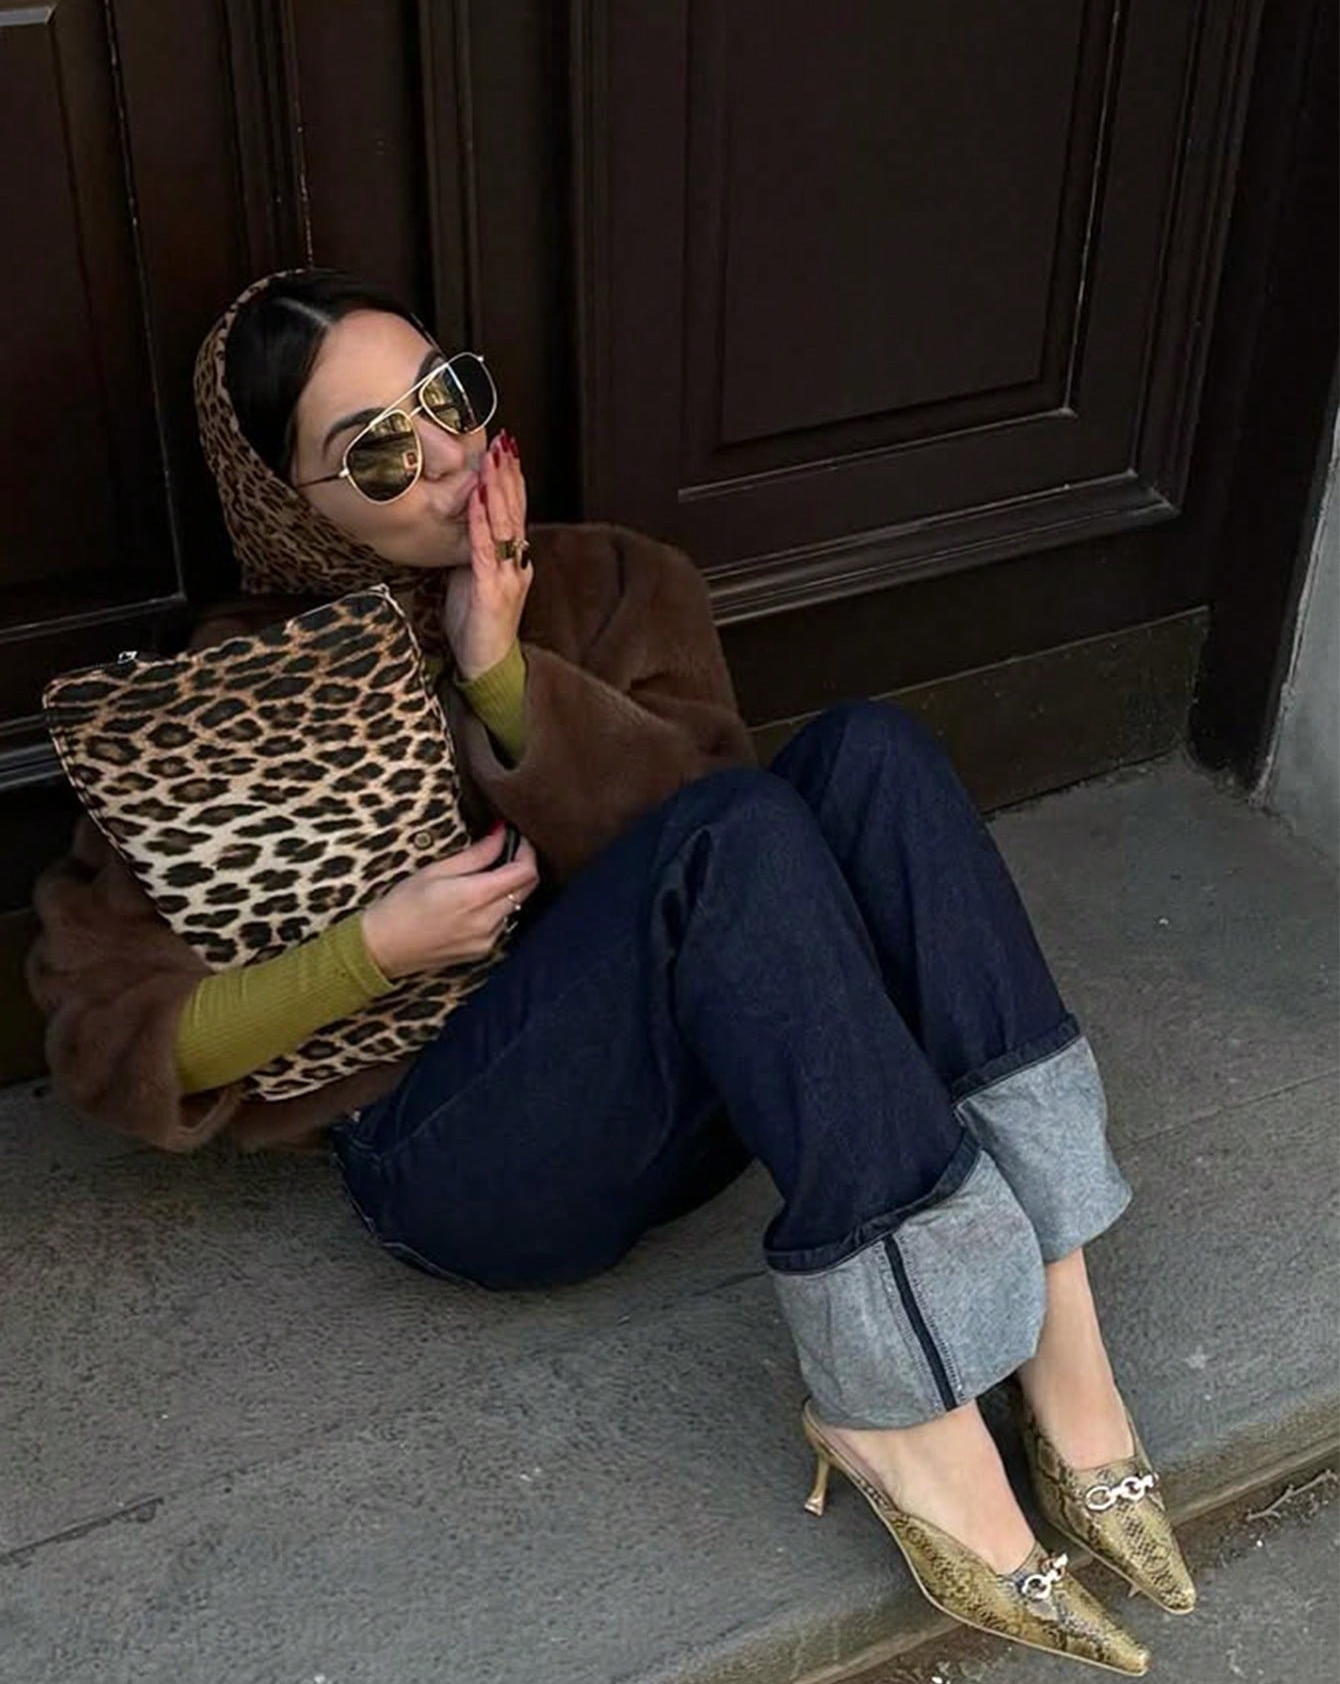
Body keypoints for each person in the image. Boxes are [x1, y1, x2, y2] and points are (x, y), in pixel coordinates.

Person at [27, 268, 1194, 1674]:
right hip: (461, 1162)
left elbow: (723, 853)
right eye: (378, 451)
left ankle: (1065, 1343)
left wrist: (504, 677)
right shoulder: (223, 705)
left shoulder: (609, 581)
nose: (445, 456)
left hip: (695, 1101)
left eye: (447, 397)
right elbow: (104, 1033)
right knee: (741, 833)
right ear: (288, 500)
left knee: (870, 755)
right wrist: (371, 950)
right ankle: (905, 1418)